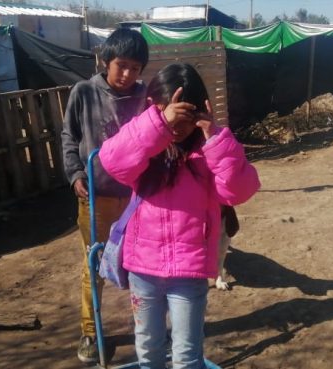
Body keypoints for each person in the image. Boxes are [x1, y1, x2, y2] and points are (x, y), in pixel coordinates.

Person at [99, 63, 261, 369]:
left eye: (186, 113)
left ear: (201, 111)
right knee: (148, 348)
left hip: (189, 272)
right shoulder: (144, 151)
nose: (177, 125)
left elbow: (239, 191)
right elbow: (112, 161)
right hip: (143, 271)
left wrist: (216, 139)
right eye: (169, 110)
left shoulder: (208, 154)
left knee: (187, 355)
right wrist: (157, 124)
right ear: (152, 107)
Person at [60, 28, 149, 364]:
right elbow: (70, 138)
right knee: (94, 264)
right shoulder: (83, 93)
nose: (127, 74)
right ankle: (90, 332)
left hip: (138, 197)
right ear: (105, 60)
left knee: (140, 263)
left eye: (135, 68)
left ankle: (145, 327)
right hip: (96, 196)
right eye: (121, 65)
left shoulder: (145, 97)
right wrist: (75, 174)